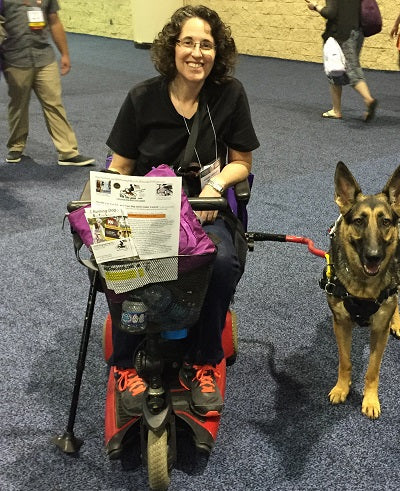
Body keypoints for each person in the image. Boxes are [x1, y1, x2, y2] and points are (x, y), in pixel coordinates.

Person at [106, 5, 259, 418]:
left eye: (206, 44)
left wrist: (215, 185)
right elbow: (118, 165)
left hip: (203, 209)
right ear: (172, 48)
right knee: (120, 260)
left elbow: (241, 160)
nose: (197, 52)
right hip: (149, 208)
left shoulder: (229, 94)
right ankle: (126, 365)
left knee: (224, 262)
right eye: (188, 42)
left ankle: (203, 360)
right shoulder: (142, 98)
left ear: (217, 51)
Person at [2, 0, 94, 166]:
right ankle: (16, 145)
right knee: (18, 104)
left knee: (54, 103)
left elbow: (54, 21)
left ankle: (68, 152)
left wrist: (64, 54)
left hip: (44, 57)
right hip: (15, 59)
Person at [305, 0, 378, 122]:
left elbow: (331, 13)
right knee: (344, 68)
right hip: (357, 32)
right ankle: (336, 109)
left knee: (342, 69)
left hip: (341, 34)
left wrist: (316, 6)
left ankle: (368, 99)